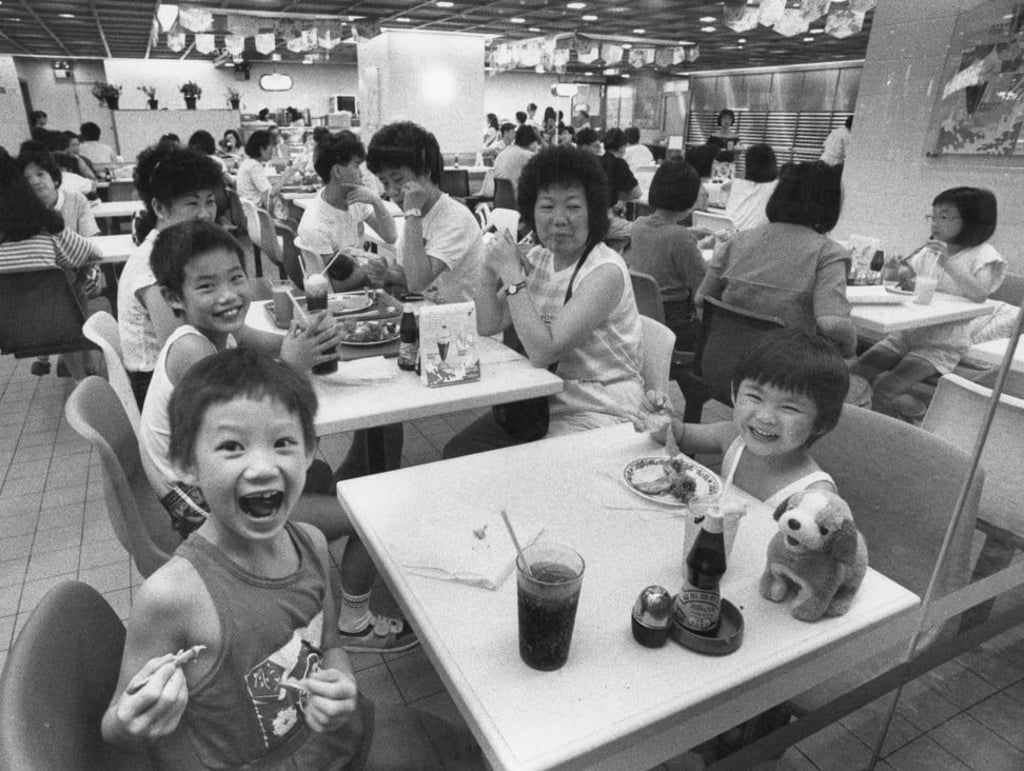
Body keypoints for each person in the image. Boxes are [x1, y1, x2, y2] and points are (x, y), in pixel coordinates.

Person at [101, 347, 482, 768]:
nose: (263, 466)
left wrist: (343, 683)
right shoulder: (172, 596)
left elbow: (330, 645)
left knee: (462, 749)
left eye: (283, 443)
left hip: (331, 739)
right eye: (231, 446)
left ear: (308, 452)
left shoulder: (312, 544)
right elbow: (115, 726)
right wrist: (133, 717)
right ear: (187, 463)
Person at [140, 220, 416, 653]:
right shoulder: (190, 350)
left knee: (342, 473)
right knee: (372, 513)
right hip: (203, 500)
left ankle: (325, 542)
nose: (229, 295)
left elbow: (270, 342)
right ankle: (354, 622)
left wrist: (311, 338)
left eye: (235, 277)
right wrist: (293, 364)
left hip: (219, 478)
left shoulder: (221, 330)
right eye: (207, 286)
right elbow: (252, 419)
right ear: (174, 297)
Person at [444, 144, 646, 457]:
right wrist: (488, 270)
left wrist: (511, 274)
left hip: (601, 409)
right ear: (531, 210)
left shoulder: (604, 272)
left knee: (505, 469)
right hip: (539, 404)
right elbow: (488, 324)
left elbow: (542, 351)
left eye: (574, 207)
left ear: (594, 210)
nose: (559, 219)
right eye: (547, 206)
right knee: (459, 451)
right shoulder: (539, 257)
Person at [644, 328, 849, 509]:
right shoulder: (732, 436)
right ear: (734, 392)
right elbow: (679, 435)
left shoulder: (816, 495)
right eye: (755, 397)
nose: (766, 417)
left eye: (789, 408)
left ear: (822, 422)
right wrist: (659, 420)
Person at [850, 187, 1004, 416]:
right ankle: (891, 410)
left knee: (884, 388)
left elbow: (980, 293)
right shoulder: (929, 250)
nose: (934, 223)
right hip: (905, 334)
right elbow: (906, 276)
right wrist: (896, 271)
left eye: (944, 216)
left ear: (973, 222)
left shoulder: (984, 255)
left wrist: (947, 263)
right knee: (855, 374)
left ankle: (910, 416)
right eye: (933, 216)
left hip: (942, 345)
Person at [696, 161, 856, 357]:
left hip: (721, 359)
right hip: (783, 373)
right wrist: (851, 346)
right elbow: (831, 323)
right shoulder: (828, 254)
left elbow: (701, 299)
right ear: (830, 206)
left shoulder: (735, 242)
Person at [118, 146, 223, 408]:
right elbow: (178, 349)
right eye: (192, 203)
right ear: (159, 208)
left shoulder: (184, 248)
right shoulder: (151, 267)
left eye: (209, 201)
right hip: (162, 385)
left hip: (193, 367)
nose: (205, 213)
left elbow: (234, 330)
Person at [0, 146, 105, 379]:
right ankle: (83, 371)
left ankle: (73, 367)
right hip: (55, 324)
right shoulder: (46, 225)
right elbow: (91, 252)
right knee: (68, 279)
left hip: (8, 331)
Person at [364, 121, 483, 305]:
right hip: (435, 315)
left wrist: (412, 214)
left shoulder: (455, 219)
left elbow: (417, 282)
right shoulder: (417, 215)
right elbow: (408, 273)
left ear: (425, 173)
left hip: (467, 323)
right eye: (385, 182)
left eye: (398, 179)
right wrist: (387, 274)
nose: (392, 192)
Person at [296, 130, 397, 292]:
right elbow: (334, 287)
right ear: (337, 171)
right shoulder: (315, 224)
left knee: (400, 274)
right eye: (356, 165)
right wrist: (369, 270)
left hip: (360, 287)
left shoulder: (354, 199)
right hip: (339, 301)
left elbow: (390, 236)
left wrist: (376, 201)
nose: (362, 173)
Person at [624, 160, 706, 351]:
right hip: (676, 324)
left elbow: (662, 242)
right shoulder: (680, 238)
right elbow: (703, 287)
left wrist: (693, 238)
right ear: (688, 197)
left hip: (640, 318)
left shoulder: (638, 226)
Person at [18, 143, 98, 237]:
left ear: (55, 178)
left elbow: (90, 237)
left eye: (40, 174)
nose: (35, 181)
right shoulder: (22, 206)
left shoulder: (76, 200)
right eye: (27, 178)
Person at [579, 127, 641, 244]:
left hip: (586, 219)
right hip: (604, 220)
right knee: (642, 232)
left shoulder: (594, 161)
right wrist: (620, 199)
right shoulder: (619, 163)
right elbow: (636, 193)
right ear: (623, 147)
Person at [235, 129, 300, 208]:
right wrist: (286, 175)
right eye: (271, 147)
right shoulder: (255, 166)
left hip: (249, 211)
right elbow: (271, 193)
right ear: (262, 148)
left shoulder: (247, 162)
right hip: (258, 214)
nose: (273, 151)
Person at [723, 143, 779, 232]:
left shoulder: (736, 184)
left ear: (748, 165)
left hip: (726, 237)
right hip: (754, 240)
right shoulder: (776, 187)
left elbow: (723, 188)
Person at [492, 124, 539, 195]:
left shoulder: (503, 153)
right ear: (532, 142)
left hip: (500, 200)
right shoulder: (526, 155)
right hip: (517, 199)